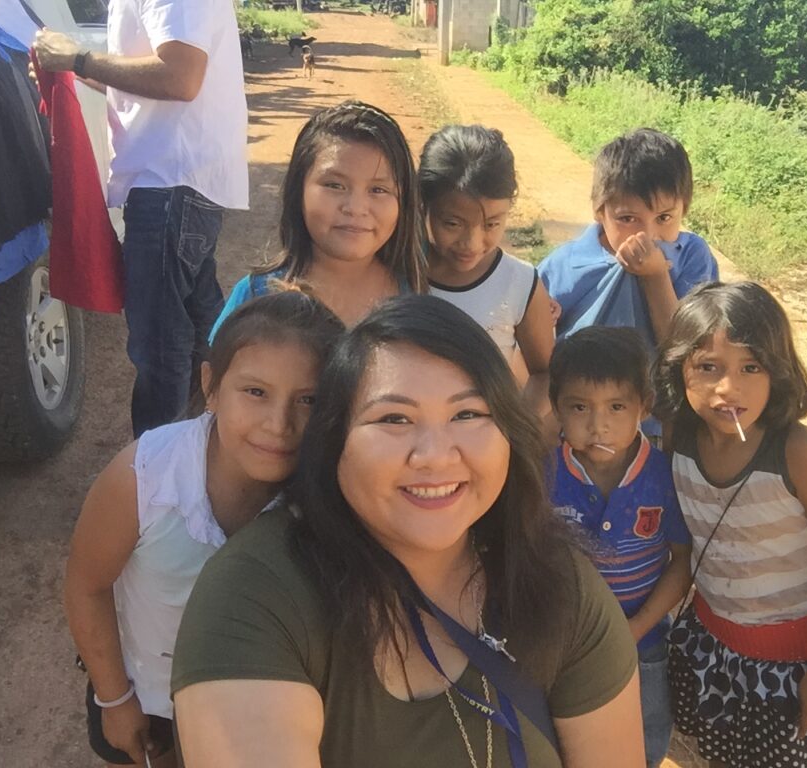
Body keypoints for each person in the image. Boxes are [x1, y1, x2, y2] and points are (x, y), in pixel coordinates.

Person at [171, 295, 645, 768]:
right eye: (393, 419)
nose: (436, 456)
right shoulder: (256, 595)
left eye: (468, 414)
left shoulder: (560, 584)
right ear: (334, 442)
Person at [64, 289, 343, 768]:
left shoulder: (327, 494)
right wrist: (115, 700)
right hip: (147, 699)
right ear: (211, 386)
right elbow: (86, 586)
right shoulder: (145, 476)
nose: (279, 424)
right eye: (256, 392)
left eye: (309, 400)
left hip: (256, 707)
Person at [653, 281, 807, 767]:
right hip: (714, 651)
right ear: (678, 369)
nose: (730, 388)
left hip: (795, 665)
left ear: (779, 371)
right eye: (709, 368)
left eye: (752, 367)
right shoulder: (677, 438)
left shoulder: (798, 454)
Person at [33, 0, 249, 438]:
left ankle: (159, 478)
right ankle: (211, 452)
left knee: (160, 347)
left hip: (171, 185)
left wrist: (77, 59)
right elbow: (147, 77)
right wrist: (72, 67)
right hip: (175, 182)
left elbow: (181, 76)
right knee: (199, 331)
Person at [547, 326, 691, 768]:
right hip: (563, 637)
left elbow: (682, 563)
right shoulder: (544, 474)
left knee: (643, 735)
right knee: (563, 733)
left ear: (643, 408)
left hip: (642, 638)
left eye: (616, 407)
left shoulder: (664, 476)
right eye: (579, 408)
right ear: (556, 409)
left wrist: (638, 627)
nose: (597, 425)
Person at [537, 128, 719, 439]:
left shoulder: (692, 257)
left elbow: (689, 349)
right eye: (627, 218)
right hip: (578, 429)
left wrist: (656, 276)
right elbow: (536, 351)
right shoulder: (564, 264)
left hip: (655, 429)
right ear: (599, 211)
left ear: (683, 210)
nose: (646, 235)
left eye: (664, 218)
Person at [209, 100, 426, 338]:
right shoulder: (256, 295)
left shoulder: (417, 300)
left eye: (378, 190)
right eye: (334, 185)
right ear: (298, 190)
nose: (355, 208)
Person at [419, 124, 555, 415]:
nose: (472, 243)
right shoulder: (398, 271)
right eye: (452, 224)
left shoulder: (520, 283)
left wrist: (515, 432)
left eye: (492, 224)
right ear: (422, 206)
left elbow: (545, 373)